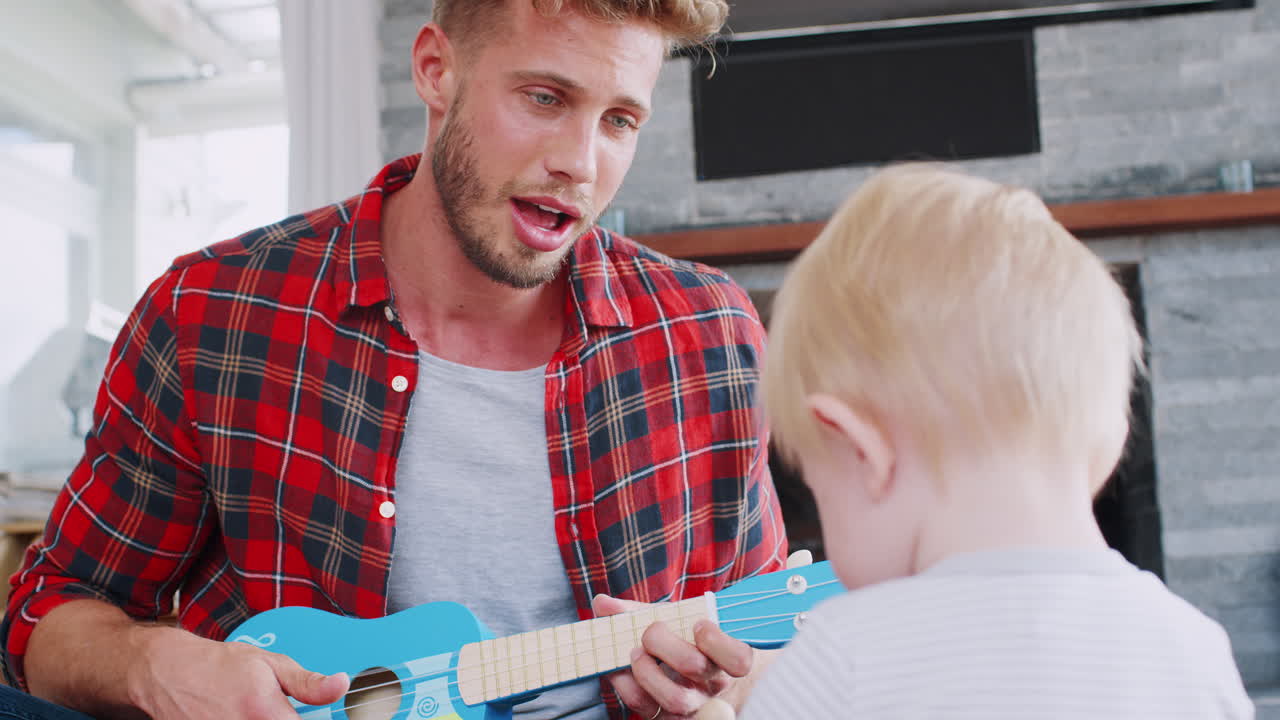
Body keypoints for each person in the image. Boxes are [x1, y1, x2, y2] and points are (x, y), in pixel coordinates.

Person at [0, 2, 789, 719]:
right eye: (544, 98)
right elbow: (49, 613)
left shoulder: (709, 334)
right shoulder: (212, 313)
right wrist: (150, 665)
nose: (580, 163)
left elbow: (772, 635)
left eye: (620, 120)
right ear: (435, 71)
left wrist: (722, 695)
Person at [737, 165, 1254, 719]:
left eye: (819, 489)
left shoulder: (840, 658)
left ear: (865, 454)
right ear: (1108, 443)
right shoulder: (1191, 648)